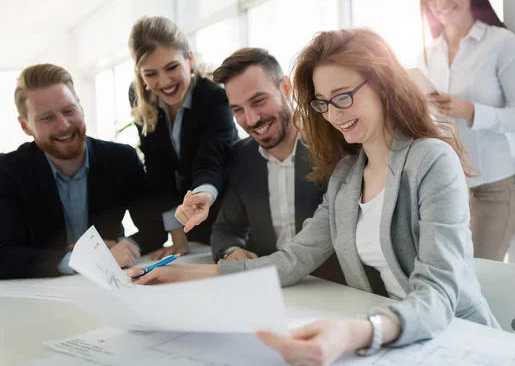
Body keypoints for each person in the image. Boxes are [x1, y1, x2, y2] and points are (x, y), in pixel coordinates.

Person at [129, 28, 499, 364]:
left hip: (459, 341)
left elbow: (437, 294)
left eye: (343, 97)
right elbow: (293, 260)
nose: (333, 115)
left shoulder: (432, 160)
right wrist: (183, 275)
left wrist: (356, 331)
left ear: (383, 84)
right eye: (323, 103)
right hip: (392, 342)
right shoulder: (346, 176)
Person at [0, 64, 163, 279]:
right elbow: (4, 255)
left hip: (114, 287)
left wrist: (126, 247)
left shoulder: (121, 159)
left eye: (69, 111)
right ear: (25, 127)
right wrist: (83, 262)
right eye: (46, 118)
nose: (64, 125)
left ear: (81, 108)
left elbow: (155, 230)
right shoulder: (8, 172)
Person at [418, 0, 515, 260]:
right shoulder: (427, 54)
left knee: (483, 283)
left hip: (492, 190)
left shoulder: (502, 44)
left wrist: (469, 111)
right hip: (446, 189)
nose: (441, 1)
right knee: (451, 284)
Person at [203, 47, 345, 284]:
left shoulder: (333, 145)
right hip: (270, 289)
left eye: (259, 101)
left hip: (335, 289)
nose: (251, 119)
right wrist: (231, 252)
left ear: (286, 88)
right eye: (237, 110)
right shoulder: (242, 156)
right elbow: (225, 230)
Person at [128, 16, 238, 260]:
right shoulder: (141, 99)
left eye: (171, 67)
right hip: (191, 225)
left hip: (226, 216)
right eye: (150, 74)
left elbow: (212, 160)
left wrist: (203, 195)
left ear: (188, 59)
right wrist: (178, 238)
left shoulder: (214, 98)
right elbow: (159, 171)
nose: (164, 82)